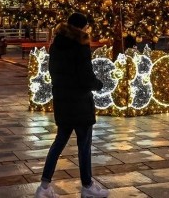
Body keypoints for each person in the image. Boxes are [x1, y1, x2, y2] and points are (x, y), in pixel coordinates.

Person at [35, 13, 108, 198]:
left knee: (59, 142)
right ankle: (87, 186)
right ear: (82, 27)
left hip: (62, 100)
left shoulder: (56, 44)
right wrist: (98, 84)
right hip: (80, 102)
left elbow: (54, 72)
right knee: (84, 145)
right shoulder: (80, 45)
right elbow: (85, 76)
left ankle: (43, 187)